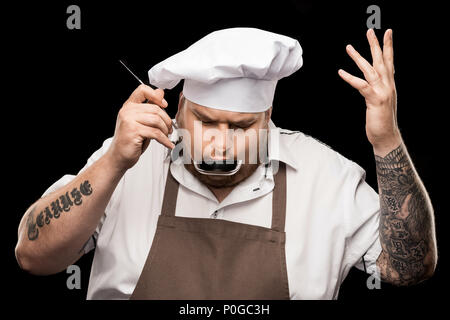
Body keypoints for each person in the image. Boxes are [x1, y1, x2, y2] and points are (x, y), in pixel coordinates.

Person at [15, 27, 436, 299]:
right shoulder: (127, 162)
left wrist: (387, 142)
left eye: (241, 127)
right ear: (179, 108)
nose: (219, 145)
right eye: (204, 121)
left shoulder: (327, 178)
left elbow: (408, 270)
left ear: (268, 120)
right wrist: (111, 164)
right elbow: (34, 257)